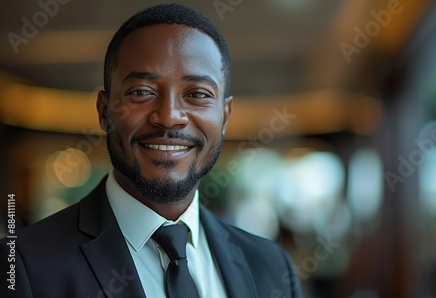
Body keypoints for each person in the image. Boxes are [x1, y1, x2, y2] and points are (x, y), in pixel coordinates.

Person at [0, 3, 303, 298]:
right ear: (104, 111)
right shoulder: (25, 265)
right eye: (142, 92)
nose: (170, 116)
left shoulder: (272, 267)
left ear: (225, 116)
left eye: (197, 94)